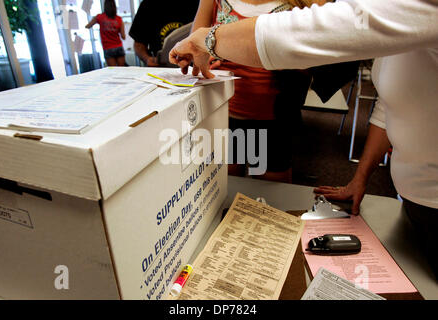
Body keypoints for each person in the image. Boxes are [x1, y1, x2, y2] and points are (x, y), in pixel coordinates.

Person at [169, 0, 438, 276]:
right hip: (412, 195)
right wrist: (361, 177)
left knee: (273, 194)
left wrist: (208, 38)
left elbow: (316, 30)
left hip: (431, 198)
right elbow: (388, 105)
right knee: (230, 188)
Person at [192, 0, 327, 183]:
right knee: (225, 191)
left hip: (274, 119)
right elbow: (195, 46)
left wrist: (291, 60)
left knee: (269, 199)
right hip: (223, 113)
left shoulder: (305, 3)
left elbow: (323, 56)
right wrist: (202, 58)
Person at [128, 0, 199, 67]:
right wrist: (147, 59)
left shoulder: (199, 3)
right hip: (161, 68)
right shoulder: (148, 5)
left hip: (194, 67)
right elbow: (139, 44)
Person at [86, 0, 126, 67]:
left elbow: (88, 26)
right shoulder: (119, 19)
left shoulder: (100, 17)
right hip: (118, 46)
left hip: (107, 48)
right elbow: (123, 36)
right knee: (122, 70)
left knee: (112, 72)